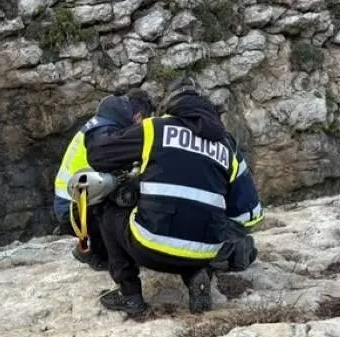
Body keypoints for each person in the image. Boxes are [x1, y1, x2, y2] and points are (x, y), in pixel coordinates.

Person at [86, 77, 264, 318]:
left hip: (149, 249)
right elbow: (249, 214)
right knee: (197, 223)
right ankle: (196, 274)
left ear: (171, 106)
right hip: (206, 251)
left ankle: (130, 297)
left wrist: (105, 127)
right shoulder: (227, 145)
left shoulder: (155, 128)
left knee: (107, 208)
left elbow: (98, 155)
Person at [52, 89, 155, 271]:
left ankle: (94, 244)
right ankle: (92, 250)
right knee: (123, 205)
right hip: (75, 209)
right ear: (139, 117)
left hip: (75, 203)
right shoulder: (106, 132)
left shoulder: (103, 125)